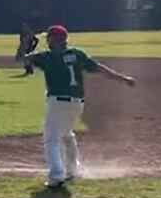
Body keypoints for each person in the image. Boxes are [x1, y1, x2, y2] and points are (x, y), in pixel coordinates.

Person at [25, 25, 136, 189]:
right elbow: (99, 68)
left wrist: (27, 47)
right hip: (77, 103)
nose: (47, 41)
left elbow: (25, 59)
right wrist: (123, 78)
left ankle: (56, 176)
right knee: (67, 134)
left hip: (57, 102)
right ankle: (73, 170)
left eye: (48, 38)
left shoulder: (47, 57)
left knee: (52, 138)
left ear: (53, 40)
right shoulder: (77, 54)